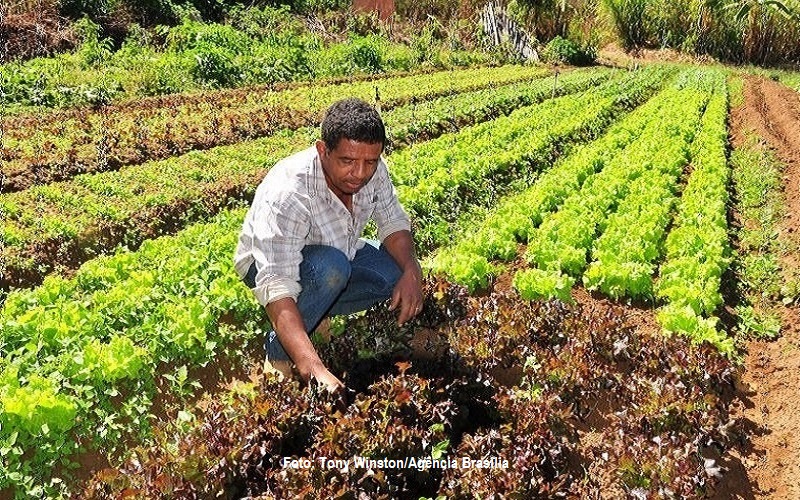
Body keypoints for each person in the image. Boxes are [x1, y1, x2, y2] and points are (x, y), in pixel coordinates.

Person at [234, 97, 424, 391]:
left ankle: (315, 312)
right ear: (323, 150)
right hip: (269, 266)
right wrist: (313, 367)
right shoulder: (288, 193)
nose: (360, 173)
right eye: (347, 161)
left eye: (370, 162)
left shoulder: (373, 170)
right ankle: (279, 353)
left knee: (393, 274)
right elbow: (276, 282)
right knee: (331, 270)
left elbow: (393, 222)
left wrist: (413, 271)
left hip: (339, 251)